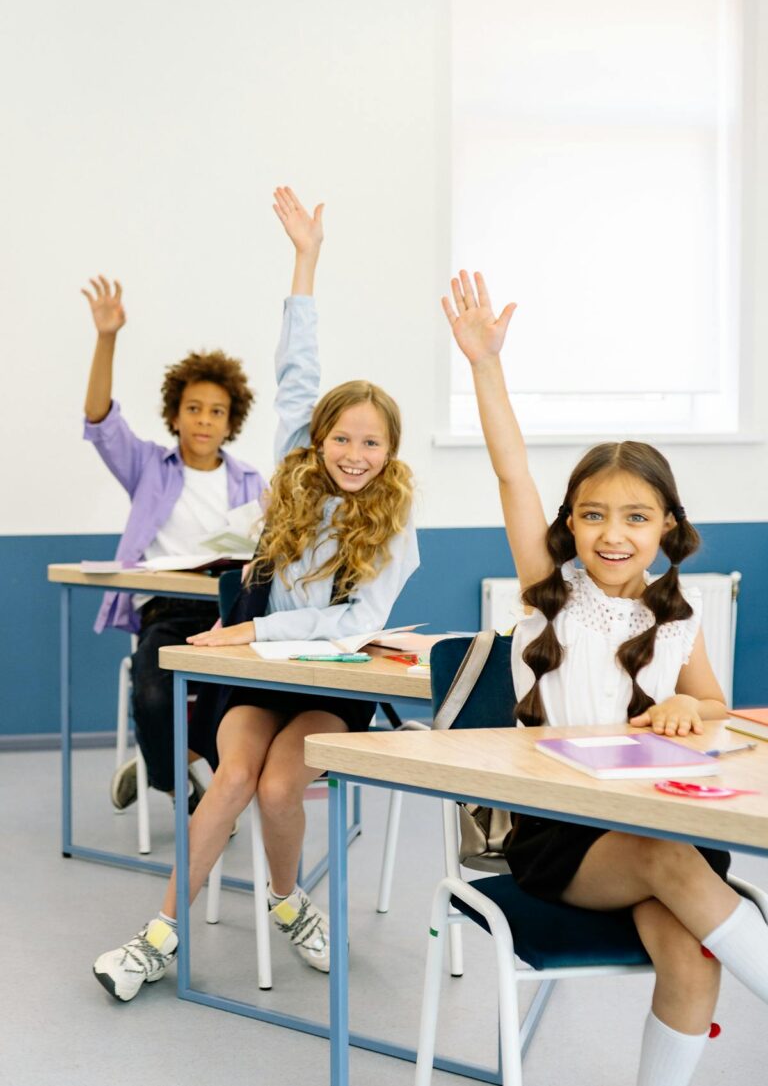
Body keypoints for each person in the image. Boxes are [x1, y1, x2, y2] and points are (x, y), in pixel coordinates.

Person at [443, 269, 768, 1086]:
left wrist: (689, 706)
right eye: (594, 515)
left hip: (655, 823)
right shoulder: (548, 592)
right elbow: (514, 473)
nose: (612, 534)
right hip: (563, 837)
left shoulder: (678, 614)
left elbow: (716, 707)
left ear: (668, 524)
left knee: (693, 956)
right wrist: (486, 365)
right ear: (571, 524)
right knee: (667, 858)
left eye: (635, 516)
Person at [92, 188, 419, 1000]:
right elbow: (297, 367)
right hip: (260, 675)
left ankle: (285, 901)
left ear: (390, 450)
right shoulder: (296, 470)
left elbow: (358, 622)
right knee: (234, 777)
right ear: (320, 436)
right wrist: (305, 261)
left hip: (326, 681)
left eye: (370, 441)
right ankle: (157, 937)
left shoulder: (395, 520)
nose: (352, 452)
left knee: (279, 785)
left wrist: (256, 634)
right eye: (341, 435)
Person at [82, 277, 266, 813]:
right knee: (154, 690)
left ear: (231, 421)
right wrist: (107, 337)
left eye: (215, 411)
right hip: (164, 611)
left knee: (238, 695)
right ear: (175, 414)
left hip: (228, 616)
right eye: (193, 408)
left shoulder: (252, 482)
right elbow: (99, 420)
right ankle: (177, 783)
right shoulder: (148, 468)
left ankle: (168, 765)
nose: (204, 419)